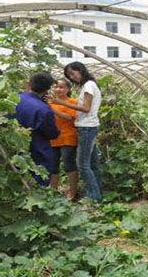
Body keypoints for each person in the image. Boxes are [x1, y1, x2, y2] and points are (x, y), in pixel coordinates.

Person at [51, 62, 103, 203]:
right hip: (89, 126)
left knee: (83, 165)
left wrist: (61, 103)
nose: (73, 77)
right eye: (70, 76)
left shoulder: (89, 85)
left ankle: (94, 198)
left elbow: (85, 108)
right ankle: (97, 194)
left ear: (81, 70)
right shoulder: (90, 85)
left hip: (87, 127)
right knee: (92, 164)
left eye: (73, 73)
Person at [14, 72, 60, 186]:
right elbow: (52, 133)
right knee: (38, 185)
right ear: (48, 89)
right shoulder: (44, 109)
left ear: (29, 84)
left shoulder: (13, 100)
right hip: (38, 151)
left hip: (14, 149)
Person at [47, 79, 79, 200]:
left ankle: (73, 192)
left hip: (68, 137)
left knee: (69, 164)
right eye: (56, 87)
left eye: (61, 87)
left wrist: (52, 108)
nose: (58, 89)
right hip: (52, 138)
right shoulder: (50, 102)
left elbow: (69, 118)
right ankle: (53, 191)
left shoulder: (72, 102)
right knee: (53, 166)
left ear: (68, 89)